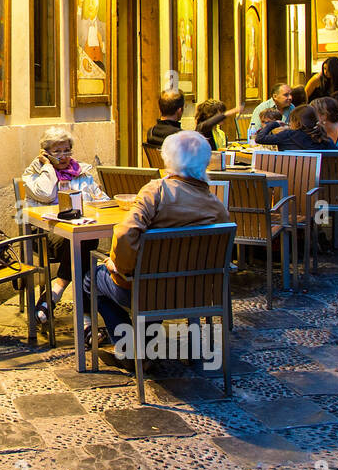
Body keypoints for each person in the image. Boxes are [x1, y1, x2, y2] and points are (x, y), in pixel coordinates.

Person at [84, 131, 230, 369]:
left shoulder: (157, 191)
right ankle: (148, 344)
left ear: (168, 159)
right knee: (158, 279)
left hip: (148, 290)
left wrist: (120, 268)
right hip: (197, 294)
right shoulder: (215, 205)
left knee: (91, 280)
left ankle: (131, 350)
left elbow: (124, 233)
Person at [20, 127, 107, 332]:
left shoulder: (82, 172)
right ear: (46, 153)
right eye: (57, 152)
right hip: (46, 235)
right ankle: (85, 321)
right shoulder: (34, 174)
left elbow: (100, 198)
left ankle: (55, 292)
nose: (64, 156)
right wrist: (48, 167)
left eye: (67, 151)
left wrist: (100, 201)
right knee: (85, 246)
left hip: (76, 235)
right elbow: (47, 194)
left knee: (84, 242)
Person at [254, 103, 338, 151]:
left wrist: (274, 123)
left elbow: (259, 138)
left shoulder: (288, 135)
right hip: (320, 180)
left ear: (295, 121)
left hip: (291, 179)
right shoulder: (323, 138)